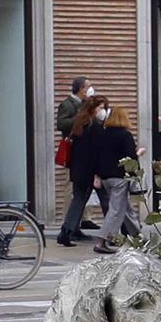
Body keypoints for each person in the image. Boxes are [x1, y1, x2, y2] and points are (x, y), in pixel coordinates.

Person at [90, 101, 143, 254]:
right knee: (115, 211)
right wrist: (136, 176)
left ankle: (137, 237)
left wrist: (97, 175)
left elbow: (97, 156)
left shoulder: (103, 134)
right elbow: (130, 158)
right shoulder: (125, 135)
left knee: (126, 208)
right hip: (119, 178)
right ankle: (101, 242)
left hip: (106, 178)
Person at [62, 94, 110, 247]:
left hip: (78, 170)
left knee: (78, 201)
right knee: (107, 201)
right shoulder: (94, 126)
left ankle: (66, 232)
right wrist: (99, 173)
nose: (104, 111)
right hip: (91, 171)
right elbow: (97, 151)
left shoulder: (80, 124)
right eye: (101, 108)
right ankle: (113, 232)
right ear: (93, 109)